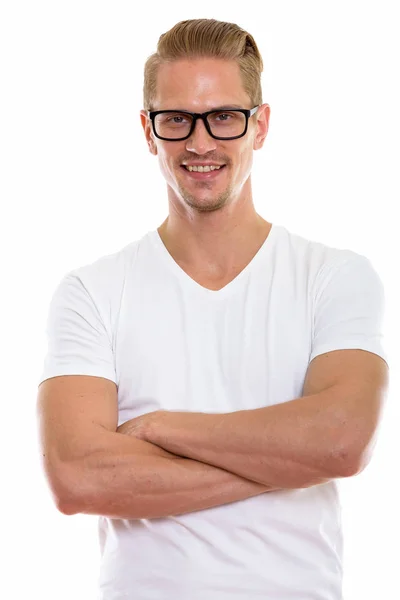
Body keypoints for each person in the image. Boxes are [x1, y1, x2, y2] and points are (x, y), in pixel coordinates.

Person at [37, 18, 389, 600]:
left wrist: (158, 429)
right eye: (176, 120)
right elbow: (76, 478)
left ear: (261, 125)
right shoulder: (92, 291)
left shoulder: (333, 276)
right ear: (149, 131)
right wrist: (283, 458)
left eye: (224, 116)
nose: (200, 143)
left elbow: (342, 443)